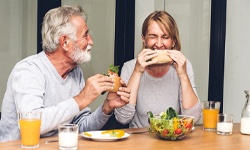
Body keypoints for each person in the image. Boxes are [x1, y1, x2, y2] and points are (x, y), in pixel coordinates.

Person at [0, 5, 130, 142]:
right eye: (85, 35)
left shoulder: (75, 72)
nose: (91, 41)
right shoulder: (29, 70)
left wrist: (106, 108)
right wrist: (82, 98)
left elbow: (80, 128)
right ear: (65, 42)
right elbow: (33, 124)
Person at [114, 11, 201, 128]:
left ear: (173, 42)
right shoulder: (130, 67)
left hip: (172, 139)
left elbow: (193, 118)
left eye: (165, 37)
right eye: (153, 36)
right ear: (144, 39)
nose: (159, 44)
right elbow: (122, 118)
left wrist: (183, 75)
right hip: (140, 141)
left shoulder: (184, 66)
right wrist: (137, 72)